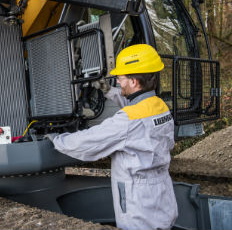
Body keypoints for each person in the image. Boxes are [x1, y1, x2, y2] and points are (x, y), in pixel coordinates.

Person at [46, 44, 178, 230]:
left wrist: (56, 138)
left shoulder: (127, 121)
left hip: (139, 202)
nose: (118, 81)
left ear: (133, 81)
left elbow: (89, 142)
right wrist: (107, 90)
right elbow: (134, 106)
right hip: (162, 193)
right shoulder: (158, 106)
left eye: (121, 78)